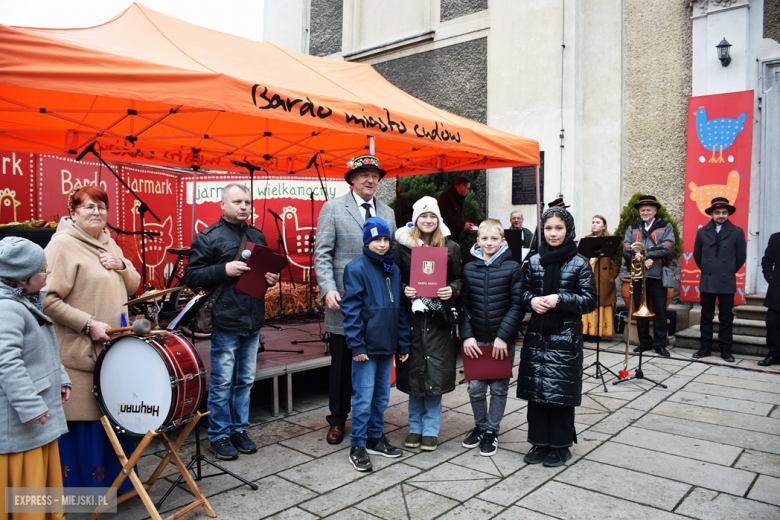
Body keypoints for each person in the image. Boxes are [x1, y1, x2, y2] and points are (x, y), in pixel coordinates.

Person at [43, 186, 140, 492]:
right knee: (87, 423)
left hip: (114, 350)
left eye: (101, 207)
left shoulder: (110, 243)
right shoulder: (61, 246)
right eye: (88, 207)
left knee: (114, 419)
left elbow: (134, 285)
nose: (96, 212)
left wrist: (120, 265)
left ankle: (119, 487)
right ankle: (84, 496)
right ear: (72, 212)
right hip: (80, 354)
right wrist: (87, 324)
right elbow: (46, 300)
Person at [183, 183, 280, 460]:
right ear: (223, 205)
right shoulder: (208, 237)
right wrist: (223, 269)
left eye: (247, 202)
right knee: (223, 382)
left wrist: (271, 279)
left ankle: (239, 429)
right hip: (225, 319)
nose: (243, 207)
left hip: (253, 317)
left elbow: (263, 273)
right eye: (237, 202)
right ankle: (218, 435)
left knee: (245, 381)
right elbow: (192, 276)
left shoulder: (257, 234)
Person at [314, 154, 397, 445]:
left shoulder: (387, 213)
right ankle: (337, 420)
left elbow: (390, 256)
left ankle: (373, 422)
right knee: (342, 362)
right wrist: (327, 288)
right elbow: (322, 253)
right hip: (343, 300)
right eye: (363, 175)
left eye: (374, 175)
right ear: (352, 179)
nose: (370, 180)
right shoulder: (333, 208)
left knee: (372, 364)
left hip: (377, 305)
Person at [517, 207, 596, 468]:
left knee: (560, 392)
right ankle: (539, 442)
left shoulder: (580, 262)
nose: (553, 233)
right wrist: (533, 301)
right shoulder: (535, 260)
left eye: (558, 228)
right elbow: (523, 293)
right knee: (537, 391)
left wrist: (561, 299)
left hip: (564, 336)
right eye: (548, 228)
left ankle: (560, 446)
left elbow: (589, 301)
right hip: (538, 333)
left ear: (568, 230)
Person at [0, 238, 70, 518]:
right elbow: (6, 363)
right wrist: (30, 407)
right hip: (23, 425)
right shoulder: (6, 309)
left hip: (38, 422)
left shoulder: (24, 300)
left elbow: (44, 349)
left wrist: (61, 377)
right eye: (44, 270)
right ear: (23, 278)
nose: (47, 273)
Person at [341, 217, 410, 471]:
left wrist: (403, 343)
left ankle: (374, 436)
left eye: (385, 240)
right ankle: (357, 444)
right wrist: (356, 345)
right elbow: (351, 310)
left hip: (388, 344)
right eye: (376, 240)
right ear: (367, 242)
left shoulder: (393, 267)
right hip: (366, 348)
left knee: (381, 396)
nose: (382, 245)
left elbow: (400, 309)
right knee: (363, 397)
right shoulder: (356, 268)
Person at [394, 197, 462, 452]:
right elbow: (393, 278)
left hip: (438, 322)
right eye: (423, 216)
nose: (428, 220)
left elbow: (458, 278)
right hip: (413, 321)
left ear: (438, 219)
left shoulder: (451, 247)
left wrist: (452, 289)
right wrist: (404, 289)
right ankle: (414, 428)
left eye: (432, 216)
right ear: (416, 219)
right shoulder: (402, 248)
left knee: (434, 376)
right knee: (414, 376)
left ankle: (431, 430)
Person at [460, 219, 523, 457]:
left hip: (500, 342)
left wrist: (503, 337)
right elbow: (463, 305)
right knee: (475, 389)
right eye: (484, 239)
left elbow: (517, 306)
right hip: (476, 340)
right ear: (478, 241)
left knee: (498, 389)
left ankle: (492, 431)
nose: (489, 243)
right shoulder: (469, 268)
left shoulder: (512, 268)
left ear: (502, 241)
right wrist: (466, 336)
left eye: (494, 239)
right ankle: (480, 426)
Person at [692, 197, 746, 362]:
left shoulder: (737, 231)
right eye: (717, 212)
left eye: (724, 212)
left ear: (728, 213)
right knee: (706, 316)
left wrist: (728, 270)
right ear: (712, 214)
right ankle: (705, 347)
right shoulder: (702, 232)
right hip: (708, 280)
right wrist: (709, 270)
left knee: (726, 317)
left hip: (726, 279)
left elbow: (741, 257)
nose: (721, 215)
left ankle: (725, 349)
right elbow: (697, 255)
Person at [621, 195, 674, 357]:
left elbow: (668, 247)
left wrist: (647, 256)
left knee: (660, 310)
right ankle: (644, 342)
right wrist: (639, 257)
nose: (645, 212)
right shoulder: (633, 227)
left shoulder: (665, 226)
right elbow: (626, 246)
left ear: (655, 211)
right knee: (639, 310)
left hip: (657, 275)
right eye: (642, 210)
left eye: (648, 210)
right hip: (638, 275)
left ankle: (660, 344)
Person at [581, 215, 620, 337]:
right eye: (593, 222)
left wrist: (612, 275)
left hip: (603, 278)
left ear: (604, 226)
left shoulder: (609, 241)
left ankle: (598, 333)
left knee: (601, 304)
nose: (594, 224)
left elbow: (617, 260)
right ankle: (586, 331)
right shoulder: (586, 239)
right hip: (588, 276)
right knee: (587, 301)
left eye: (598, 222)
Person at [760, 231, 780, 367]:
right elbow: (767, 261)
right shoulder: (775, 238)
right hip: (777, 290)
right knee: (773, 324)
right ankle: (774, 354)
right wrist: (771, 278)